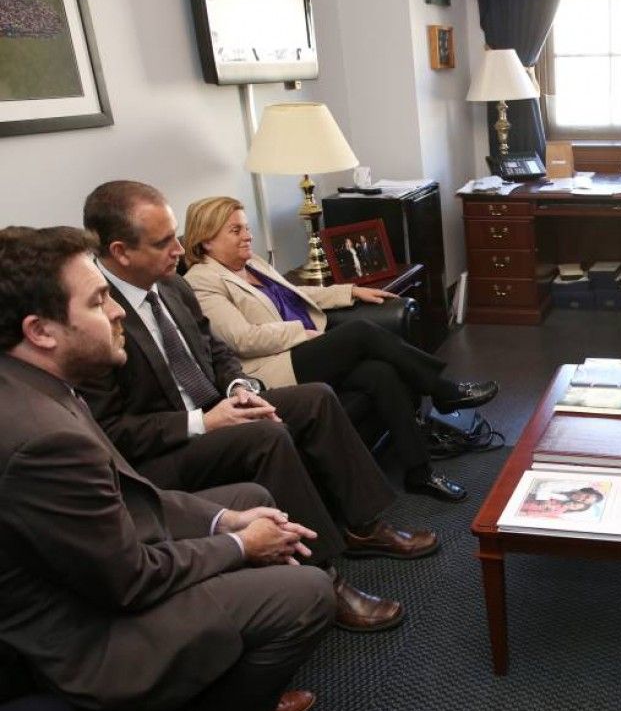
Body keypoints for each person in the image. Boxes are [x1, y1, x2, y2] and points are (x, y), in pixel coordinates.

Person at [0, 225, 332, 711]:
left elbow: (131, 495)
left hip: (93, 567)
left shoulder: (34, 383)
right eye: (99, 300)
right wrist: (240, 545)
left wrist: (226, 519)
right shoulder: (41, 438)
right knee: (306, 594)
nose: (117, 313)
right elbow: (129, 581)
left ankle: (216, 686)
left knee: (250, 495)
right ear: (41, 331)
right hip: (82, 636)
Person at [80, 180, 433, 633]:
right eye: (165, 241)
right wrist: (201, 421)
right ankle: (323, 575)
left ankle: (363, 524)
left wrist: (238, 388)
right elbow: (110, 432)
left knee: (316, 398)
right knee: (267, 437)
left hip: (218, 407)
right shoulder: (96, 316)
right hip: (167, 447)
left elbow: (216, 349)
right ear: (120, 251)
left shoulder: (169, 286)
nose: (179, 249)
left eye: (177, 237)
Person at [181, 195, 498, 502]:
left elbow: (295, 294)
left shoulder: (254, 263)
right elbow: (242, 339)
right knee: (359, 332)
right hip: (272, 367)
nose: (247, 236)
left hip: (302, 350)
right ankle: (443, 389)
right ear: (206, 240)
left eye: (247, 227)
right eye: (236, 230)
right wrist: (299, 333)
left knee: (380, 373)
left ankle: (419, 472)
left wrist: (351, 291)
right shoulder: (202, 280)